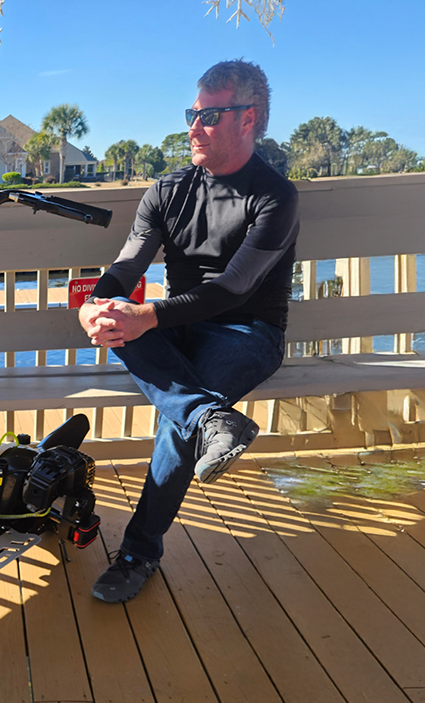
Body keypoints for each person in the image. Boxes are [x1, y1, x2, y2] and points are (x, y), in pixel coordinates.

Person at [78, 60, 299, 603]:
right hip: (177, 328)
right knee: (169, 381)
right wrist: (96, 306)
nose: (193, 127)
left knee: (177, 420)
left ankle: (137, 552)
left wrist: (146, 315)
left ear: (249, 118)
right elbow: (126, 268)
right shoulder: (168, 190)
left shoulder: (274, 196)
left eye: (209, 115)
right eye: (192, 114)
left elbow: (235, 288)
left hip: (245, 332)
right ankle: (212, 419)